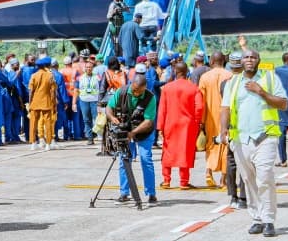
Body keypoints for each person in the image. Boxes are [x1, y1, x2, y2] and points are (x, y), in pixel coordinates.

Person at [218, 49, 287, 237]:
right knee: (248, 180)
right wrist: (223, 130)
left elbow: (283, 104)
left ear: (258, 60)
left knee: (264, 178)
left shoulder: (270, 78)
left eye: (253, 57)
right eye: (246, 57)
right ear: (241, 61)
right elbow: (225, 108)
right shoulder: (232, 82)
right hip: (241, 139)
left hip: (265, 137)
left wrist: (261, 92)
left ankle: (269, 220)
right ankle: (257, 218)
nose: (249, 60)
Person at [106, 73, 158, 205]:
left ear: (144, 88)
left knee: (146, 159)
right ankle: (124, 192)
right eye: (134, 90)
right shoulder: (122, 92)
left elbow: (148, 121)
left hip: (143, 132)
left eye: (138, 91)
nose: (135, 93)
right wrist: (112, 118)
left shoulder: (150, 98)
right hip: (125, 131)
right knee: (124, 160)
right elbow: (108, 108)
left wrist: (133, 133)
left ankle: (151, 193)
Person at [157, 59, 204, 189]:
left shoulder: (166, 88)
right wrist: (197, 122)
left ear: (175, 71)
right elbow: (199, 107)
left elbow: (162, 109)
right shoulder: (194, 88)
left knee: (167, 151)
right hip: (188, 125)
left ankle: (166, 180)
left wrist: (160, 127)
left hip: (170, 124)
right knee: (185, 151)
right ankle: (184, 181)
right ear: (187, 72)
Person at [197, 52, 232, 188]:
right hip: (226, 117)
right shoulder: (230, 76)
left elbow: (201, 101)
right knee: (226, 147)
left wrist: (201, 121)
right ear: (224, 61)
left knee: (210, 145)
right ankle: (224, 179)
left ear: (211, 61)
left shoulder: (205, 77)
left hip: (210, 117)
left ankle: (208, 172)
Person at [219, 53, 247, 209]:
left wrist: (223, 129)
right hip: (245, 128)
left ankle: (233, 196)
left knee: (231, 163)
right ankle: (243, 197)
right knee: (245, 162)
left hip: (230, 128)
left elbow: (225, 108)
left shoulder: (225, 84)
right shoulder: (247, 83)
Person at [26, 56, 56, 150]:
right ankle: (48, 144)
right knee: (47, 123)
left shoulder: (33, 76)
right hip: (46, 102)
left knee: (33, 123)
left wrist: (30, 102)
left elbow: (30, 91)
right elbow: (53, 91)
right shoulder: (50, 75)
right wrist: (53, 102)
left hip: (35, 101)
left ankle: (33, 143)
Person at [76, 62, 100, 146]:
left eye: (90, 67)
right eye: (87, 67)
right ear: (85, 68)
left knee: (96, 119)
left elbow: (101, 88)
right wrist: (73, 103)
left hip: (95, 100)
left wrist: (100, 101)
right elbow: (76, 90)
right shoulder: (80, 78)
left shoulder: (97, 77)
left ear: (92, 68)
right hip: (84, 100)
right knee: (86, 120)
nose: (88, 69)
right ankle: (90, 138)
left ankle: (94, 133)